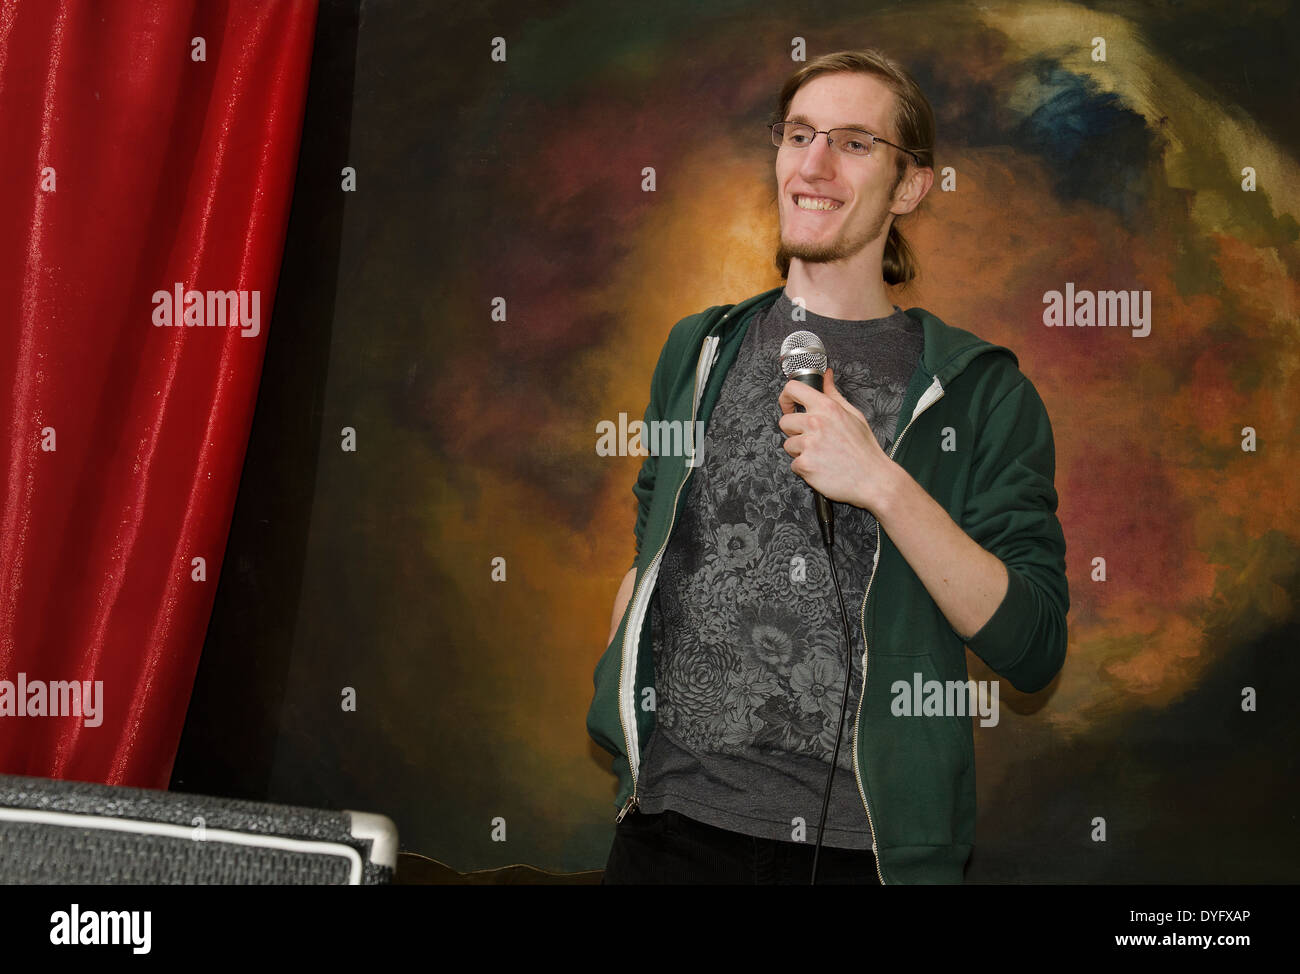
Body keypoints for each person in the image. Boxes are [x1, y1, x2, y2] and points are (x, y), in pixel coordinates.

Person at [586, 49, 1069, 884]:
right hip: (668, 827)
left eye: (852, 143)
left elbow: (1033, 647)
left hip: (859, 853)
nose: (812, 164)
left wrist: (881, 482)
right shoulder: (698, 351)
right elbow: (651, 525)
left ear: (911, 186)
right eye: (799, 134)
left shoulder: (985, 392)